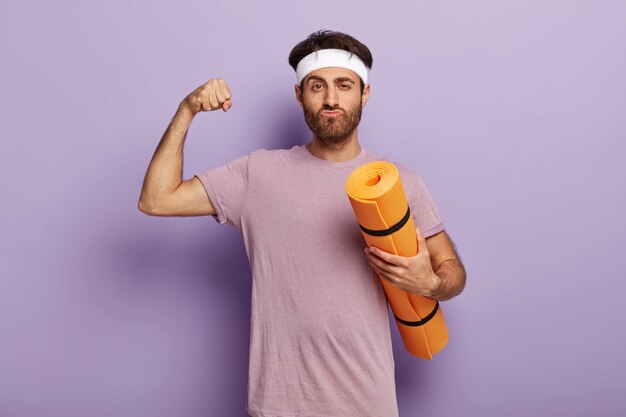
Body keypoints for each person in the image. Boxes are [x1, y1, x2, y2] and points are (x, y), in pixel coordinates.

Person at [138, 29, 466, 417]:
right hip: (279, 405)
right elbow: (156, 200)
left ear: (365, 93)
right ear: (299, 95)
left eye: (344, 85)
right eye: (316, 86)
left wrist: (430, 283)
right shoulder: (256, 174)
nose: (330, 99)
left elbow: (452, 272)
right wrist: (186, 111)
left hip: (368, 403)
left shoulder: (399, 182)